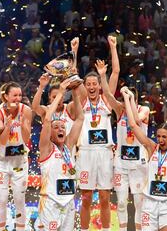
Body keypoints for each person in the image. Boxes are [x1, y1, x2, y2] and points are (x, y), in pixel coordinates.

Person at [122, 86, 167, 231]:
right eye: (159, 136)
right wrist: (126, 97)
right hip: (149, 203)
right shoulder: (151, 148)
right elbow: (133, 125)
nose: (160, 139)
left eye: (164, 137)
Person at [95, 60, 150, 231]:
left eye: (131, 97)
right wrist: (103, 76)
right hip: (121, 163)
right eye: (125, 98)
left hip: (139, 163)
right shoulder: (119, 111)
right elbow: (108, 95)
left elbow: (137, 120)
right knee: (120, 202)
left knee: (139, 201)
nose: (125, 101)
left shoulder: (144, 110)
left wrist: (129, 99)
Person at [76, 35, 120, 231]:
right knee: (85, 197)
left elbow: (116, 72)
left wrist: (113, 47)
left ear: (99, 86)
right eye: (89, 84)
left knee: (104, 197)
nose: (92, 86)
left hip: (104, 152)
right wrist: (75, 51)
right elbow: (71, 76)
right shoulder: (83, 101)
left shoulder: (107, 101)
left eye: (95, 84)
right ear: (85, 87)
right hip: (85, 152)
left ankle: (106, 230)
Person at [37, 78, 85, 231]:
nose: (61, 130)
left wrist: (75, 93)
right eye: (56, 127)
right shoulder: (46, 148)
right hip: (50, 202)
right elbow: (46, 119)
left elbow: (80, 118)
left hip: (69, 202)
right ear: (50, 132)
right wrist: (61, 93)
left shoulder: (68, 146)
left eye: (63, 127)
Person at [0, 81, 32, 231]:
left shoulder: (26, 110)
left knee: (19, 199)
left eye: (20, 95)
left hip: (19, 161)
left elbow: (26, 139)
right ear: (6, 96)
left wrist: (22, 126)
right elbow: (2, 140)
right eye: (14, 95)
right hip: (0, 162)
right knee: (2, 200)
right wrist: (8, 124)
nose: (18, 98)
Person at [32, 37, 81, 135]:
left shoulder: (69, 108)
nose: (57, 99)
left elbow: (72, 75)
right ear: (49, 97)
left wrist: (74, 51)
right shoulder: (46, 110)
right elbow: (35, 107)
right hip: (51, 149)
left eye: (60, 96)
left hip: (69, 148)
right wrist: (41, 87)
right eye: (54, 97)